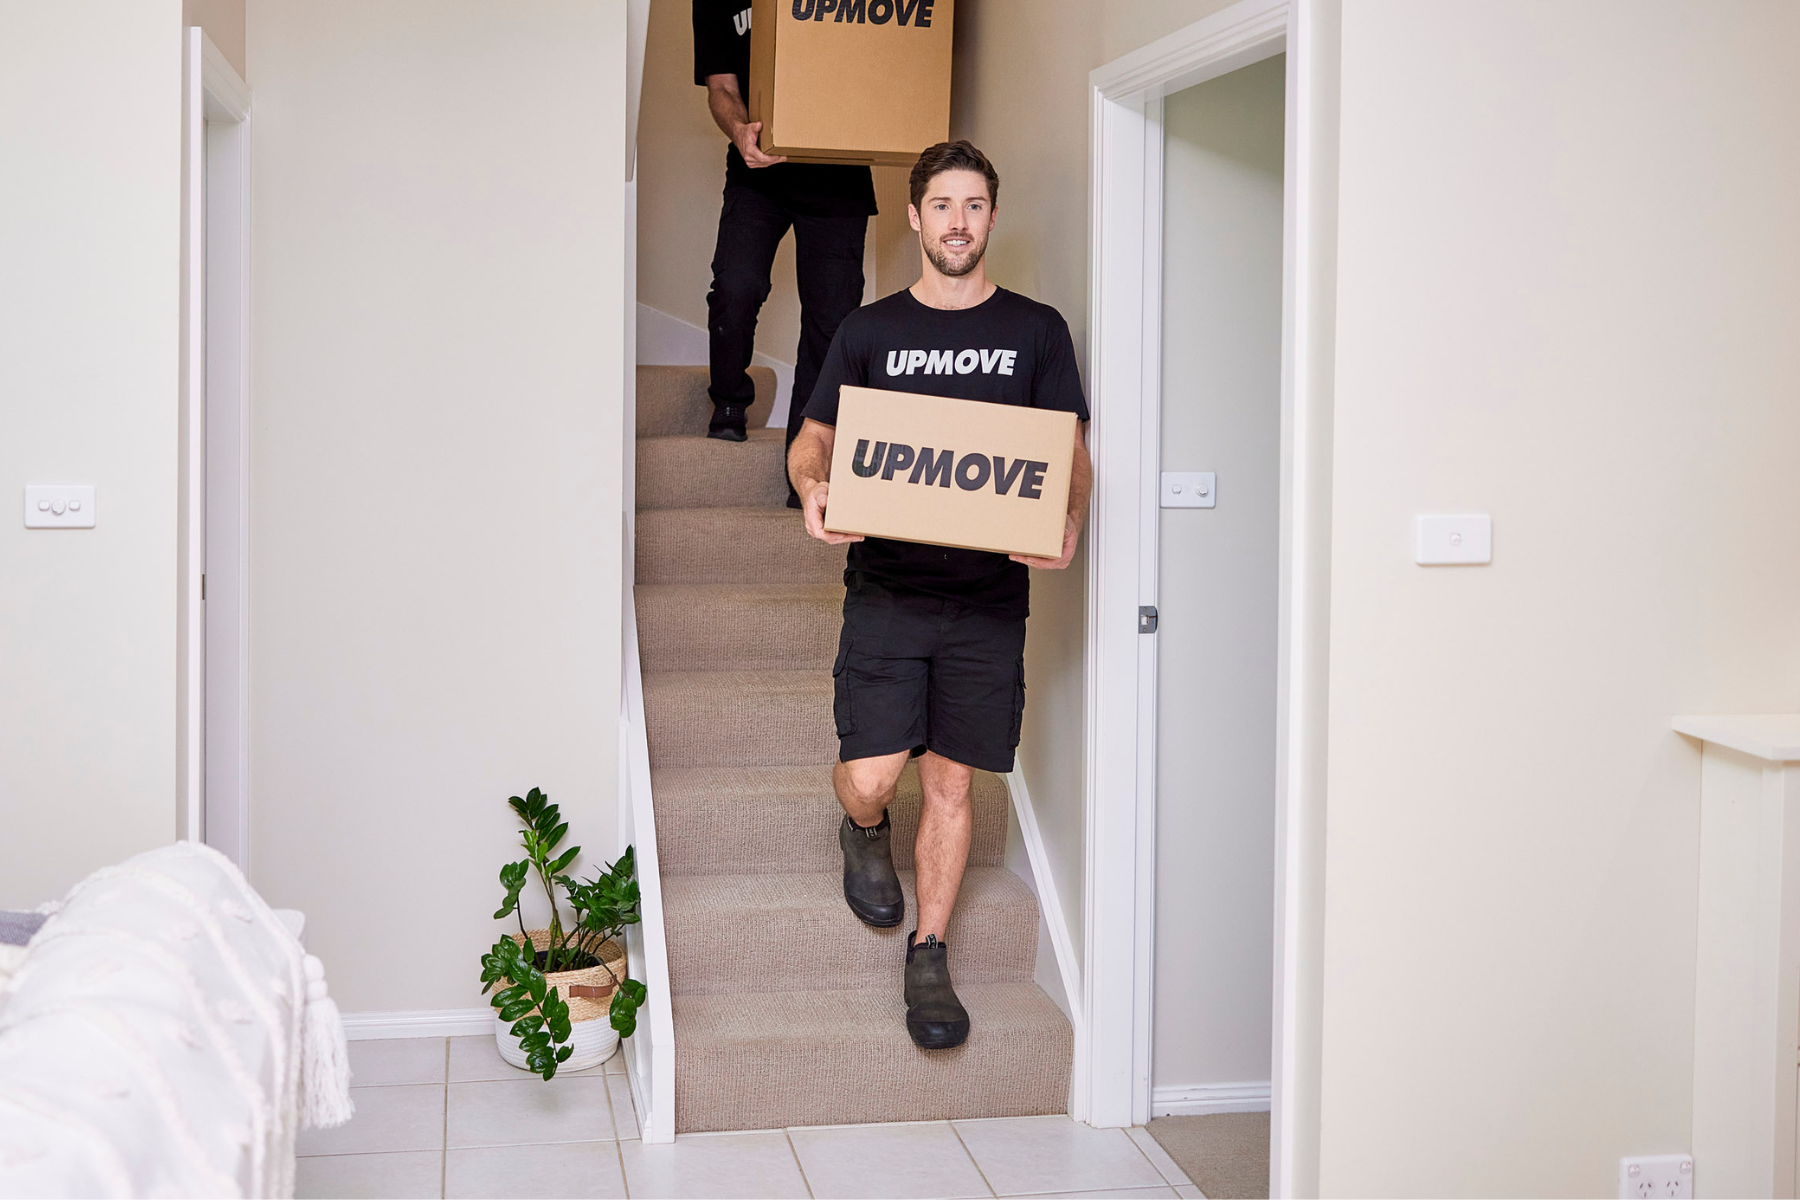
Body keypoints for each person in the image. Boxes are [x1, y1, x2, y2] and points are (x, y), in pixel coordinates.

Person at [787, 140, 1093, 1050]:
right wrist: (813, 488)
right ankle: (862, 826)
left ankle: (929, 952)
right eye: (942, 205)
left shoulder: (1037, 331)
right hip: (887, 587)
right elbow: (812, 440)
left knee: (953, 781)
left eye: (974, 205)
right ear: (915, 218)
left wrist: (1066, 514)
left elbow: (1070, 453)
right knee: (878, 774)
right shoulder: (869, 330)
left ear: (991, 218)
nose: (958, 221)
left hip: (989, 600)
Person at [692, 0, 876, 503]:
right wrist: (740, 132)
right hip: (759, 174)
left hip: (840, 173)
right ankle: (729, 402)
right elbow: (722, 87)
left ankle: (805, 465)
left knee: (832, 320)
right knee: (736, 285)